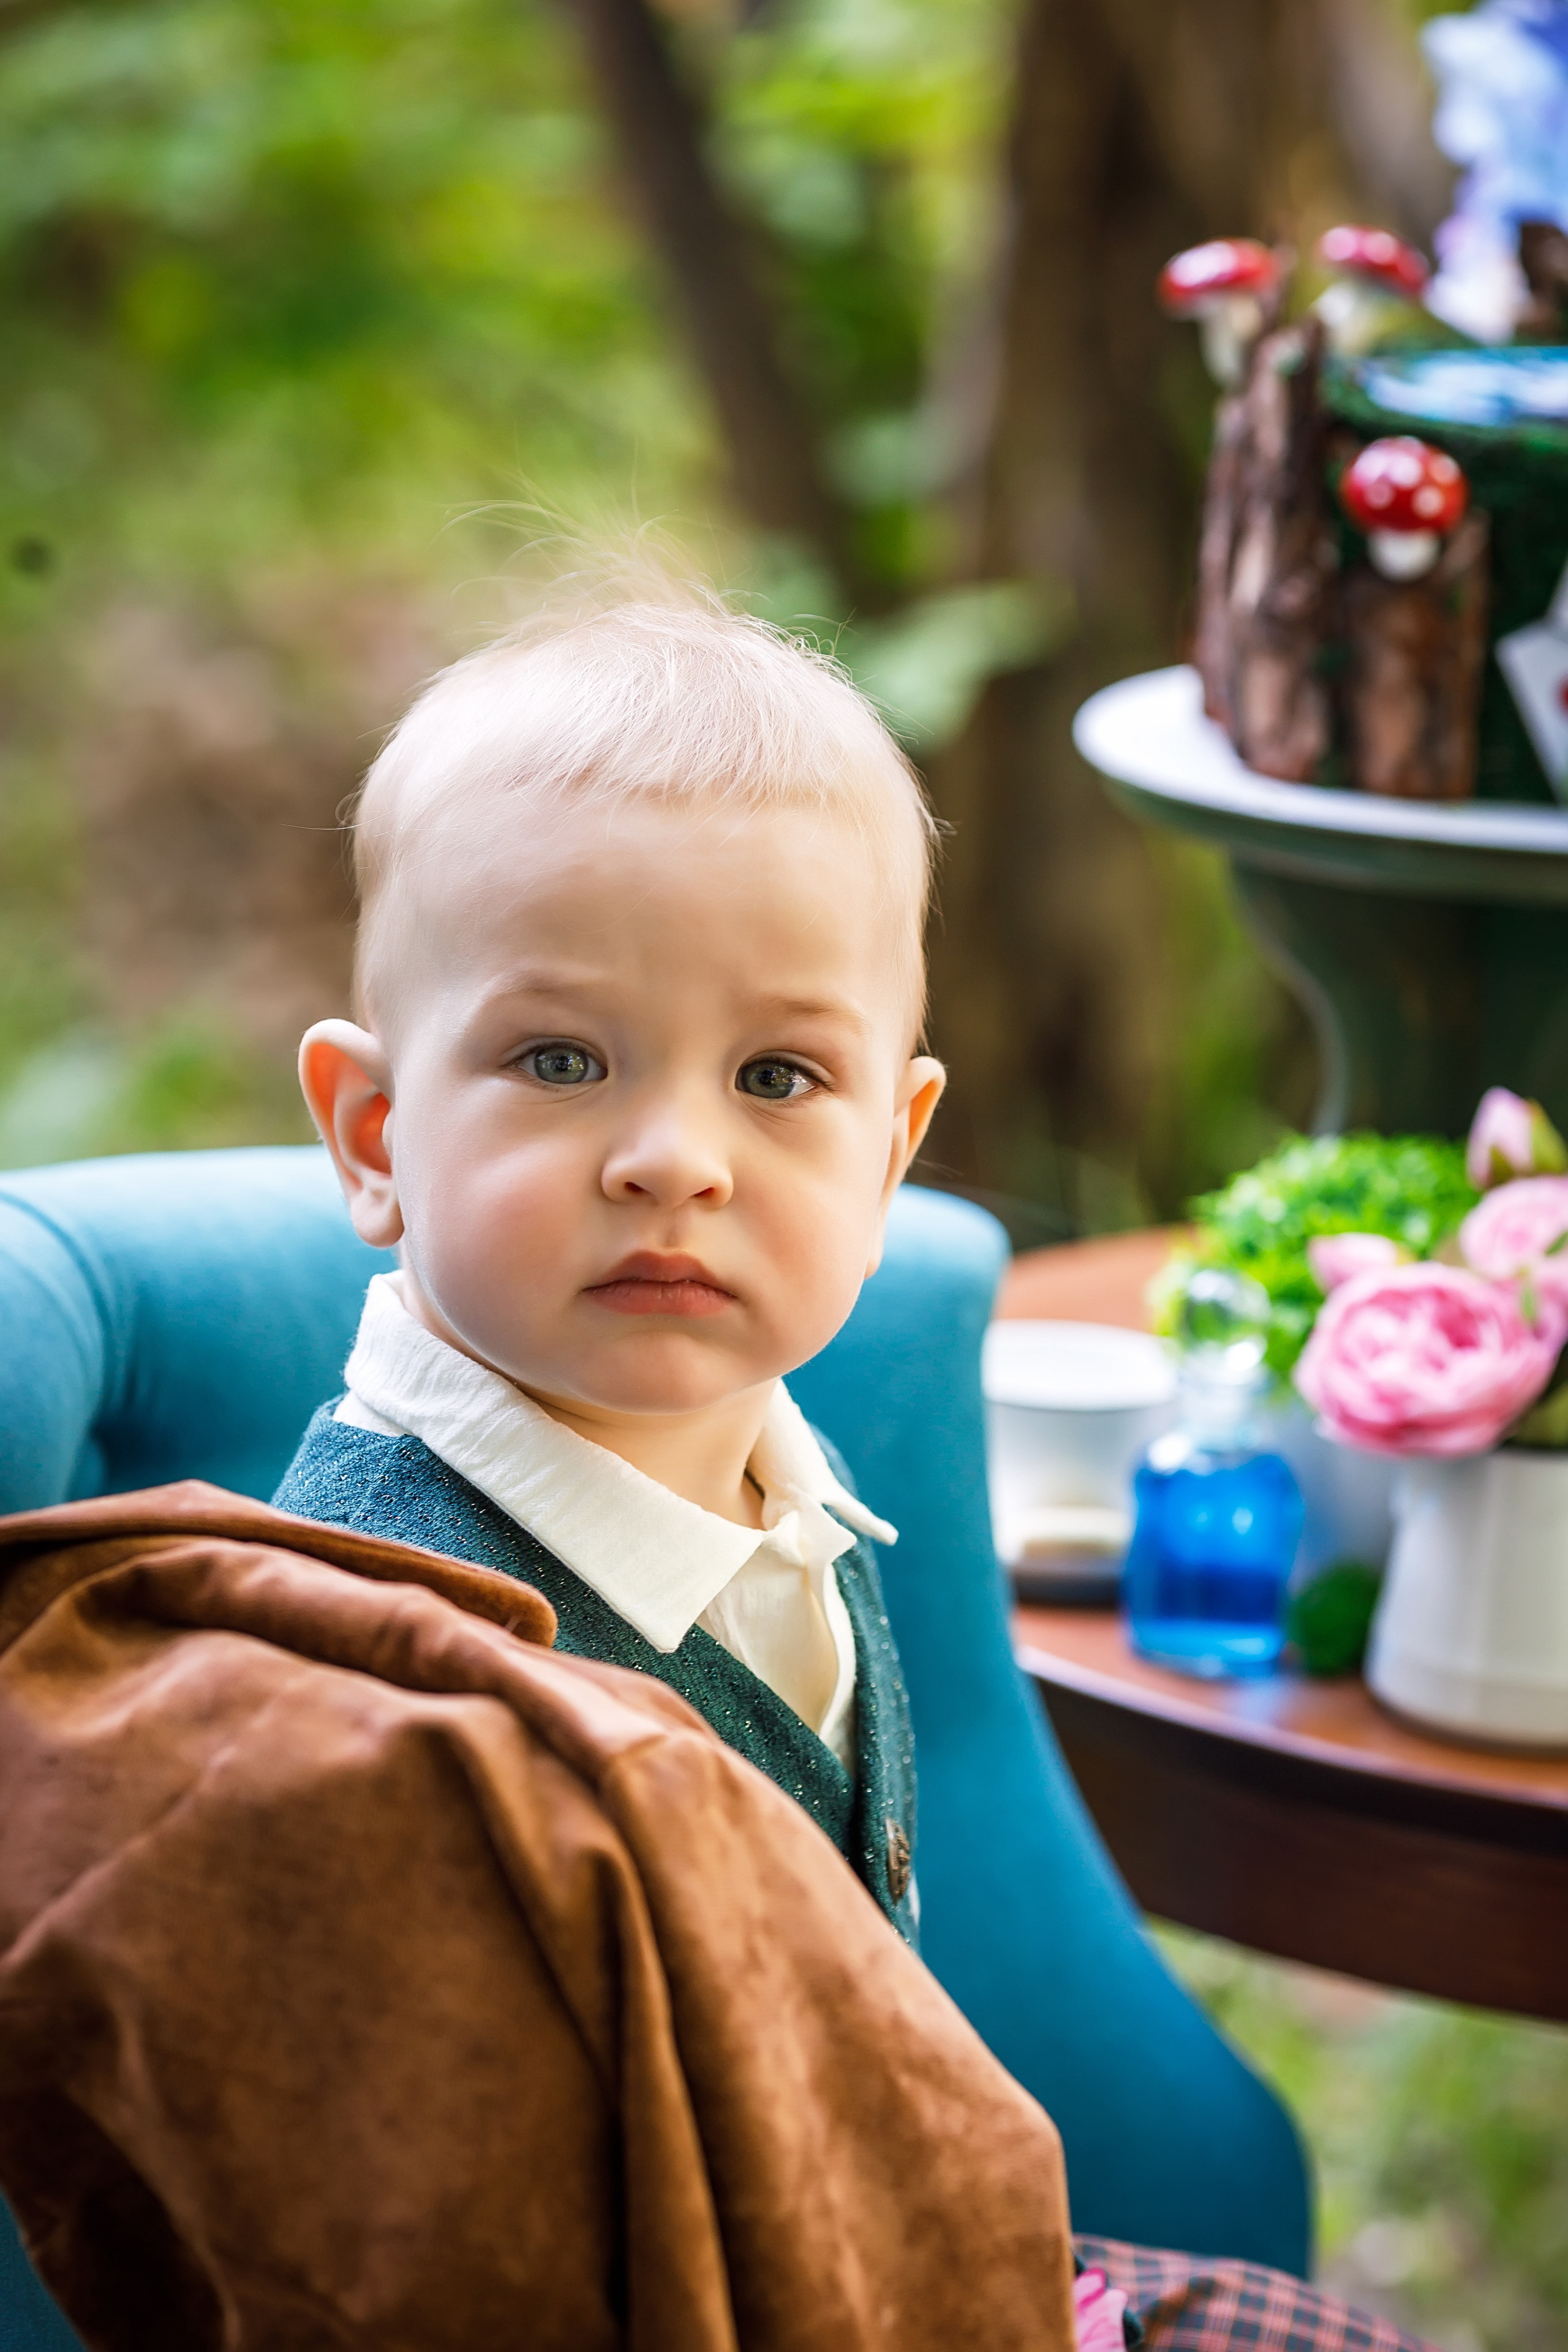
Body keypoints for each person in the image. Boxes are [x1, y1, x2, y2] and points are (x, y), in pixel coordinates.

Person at [273, 586, 1430, 2352]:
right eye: (561, 1059)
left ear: (892, 1151)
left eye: (779, 1074)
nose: (676, 1160)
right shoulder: (381, 1665)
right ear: (376, 1135)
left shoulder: (777, 1462)